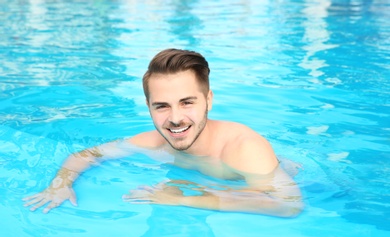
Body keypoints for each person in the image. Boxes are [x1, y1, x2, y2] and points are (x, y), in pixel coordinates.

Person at [23, 48, 303, 217]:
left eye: (187, 102)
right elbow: (86, 155)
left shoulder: (243, 148)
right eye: (162, 106)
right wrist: (59, 185)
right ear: (148, 106)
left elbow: (289, 205)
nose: (175, 118)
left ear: (209, 100)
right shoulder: (153, 143)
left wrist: (185, 200)